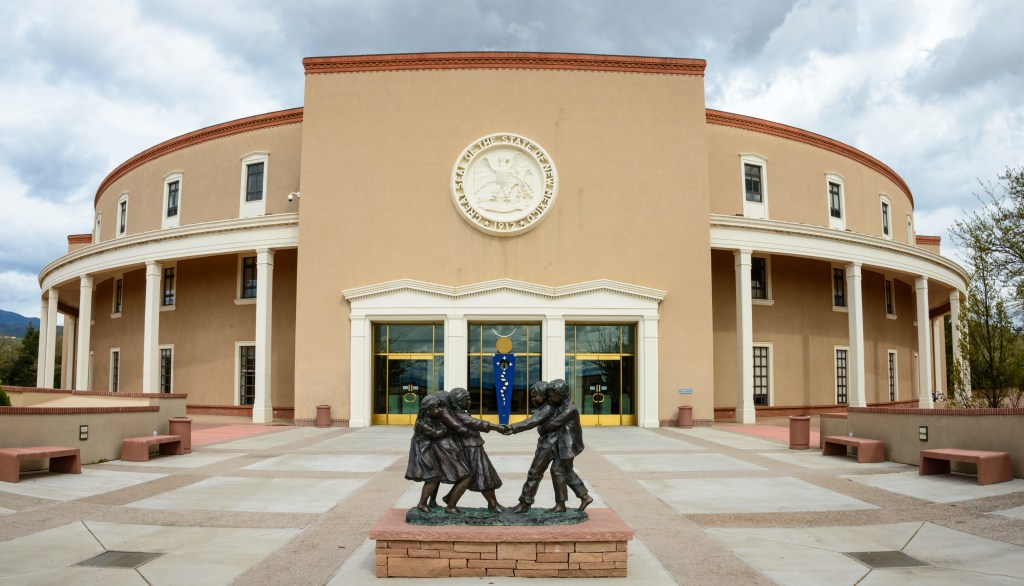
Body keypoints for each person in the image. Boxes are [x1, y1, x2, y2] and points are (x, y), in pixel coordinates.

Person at [504, 380, 592, 513]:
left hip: (565, 444)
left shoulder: (567, 408)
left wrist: (513, 428)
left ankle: (528, 503)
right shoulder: (556, 404)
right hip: (560, 443)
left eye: (550, 396)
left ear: (560, 395)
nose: (549, 399)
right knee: (564, 471)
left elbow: (544, 424)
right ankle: (582, 497)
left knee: (544, 471)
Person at [432, 388, 509, 512]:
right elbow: (475, 422)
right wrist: (496, 427)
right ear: (458, 402)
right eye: (466, 400)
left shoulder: (457, 413)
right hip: (470, 449)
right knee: (484, 475)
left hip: (473, 446)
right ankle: (492, 505)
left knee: (482, 475)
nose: (470, 402)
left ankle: (491, 504)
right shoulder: (458, 414)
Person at [404, 395, 471, 513]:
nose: (440, 410)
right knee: (432, 477)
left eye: (440, 407)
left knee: (436, 476)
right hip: (423, 452)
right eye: (436, 408)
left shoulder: (432, 418)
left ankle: (432, 501)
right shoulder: (421, 423)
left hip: (429, 449)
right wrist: (448, 427)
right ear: (427, 410)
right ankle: (422, 503)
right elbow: (437, 433)